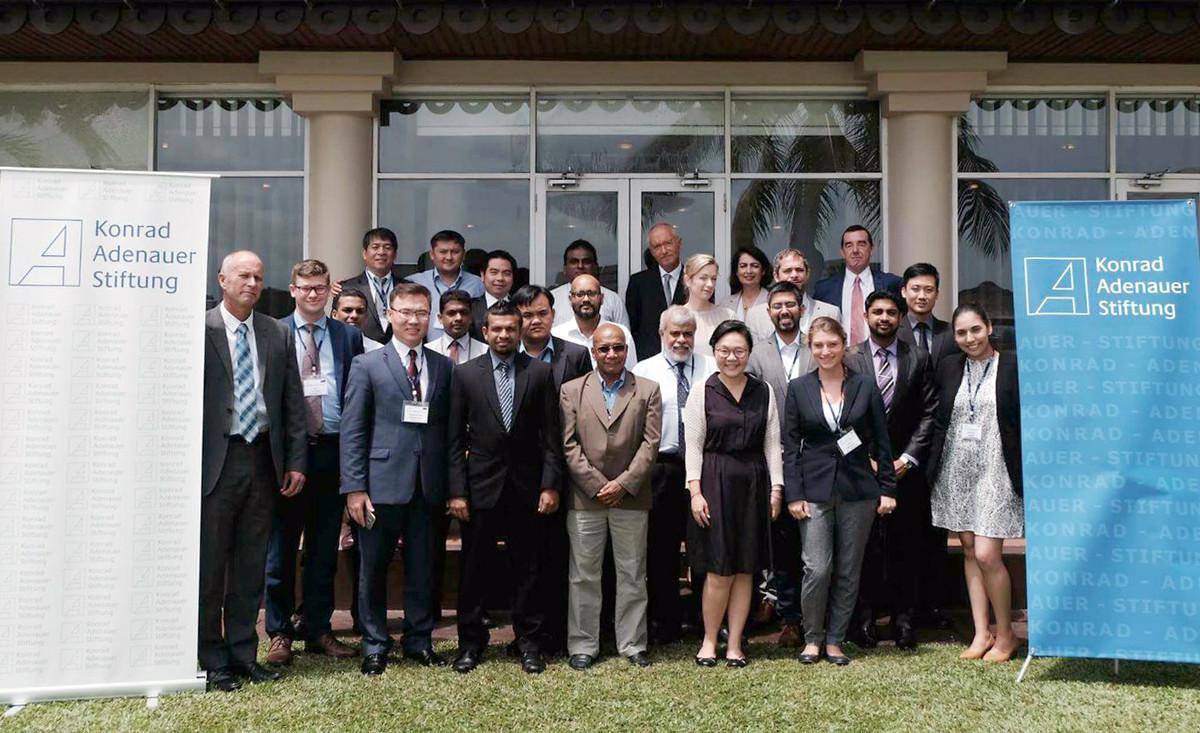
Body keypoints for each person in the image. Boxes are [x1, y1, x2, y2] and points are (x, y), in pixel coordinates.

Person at [200, 251, 307, 692]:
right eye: (244, 275)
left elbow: (292, 402)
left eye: (259, 277)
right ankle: (212, 658)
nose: (252, 283)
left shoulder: (276, 332)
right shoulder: (200, 329)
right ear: (222, 280)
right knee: (211, 566)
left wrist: (296, 461)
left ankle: (244, 653)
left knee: (250, 565)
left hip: (263, 459)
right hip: (216, 461)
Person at [340, 282, 452, 675]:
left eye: (421, 312)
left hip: (428, 485)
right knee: (373, 569)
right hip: (380, 484)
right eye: (405, 311)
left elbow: (447, 431)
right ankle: (374, 644)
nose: (413, 320)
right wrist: (354, 488)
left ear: (431, 317)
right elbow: (353, 430)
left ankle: (419, 641)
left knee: (423, 568)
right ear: (390, 314)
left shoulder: (443, 366)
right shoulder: (367, 365)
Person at [448, 301, 563, 675]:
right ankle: (470, 643)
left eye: (510, 329)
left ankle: (528, 643)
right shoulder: (465, 375)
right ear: (485, 332)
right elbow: (453, 440)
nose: (503, 335)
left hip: (527, 489)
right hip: (480, 487)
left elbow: (551, 436)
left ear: (520, 331)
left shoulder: (540, 372)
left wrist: (550, 485)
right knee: (474, 570)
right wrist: (457, 491)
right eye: (496, 329)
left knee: (528, 569)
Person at [263, 260, 364, 667]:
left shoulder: (347, 335)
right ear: (292, 290)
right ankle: (279, 631)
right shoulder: (274, 332)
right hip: (291, 452)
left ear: (329, 290)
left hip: (333, 450)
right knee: (282, 548)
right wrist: (286, 456)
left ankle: (318, 628)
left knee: (324, 549)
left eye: (320, 287)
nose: (312, 294)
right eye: (305, 287)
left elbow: (356, 393)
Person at [783, 316, 896, 667]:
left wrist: (887, 488)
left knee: (849, 569)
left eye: (832, 344)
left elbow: (881, 441)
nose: (826, 351)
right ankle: (812, 638)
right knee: (817, 568)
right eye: (818, 345)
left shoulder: (865, 386)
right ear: (810, 347)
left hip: (858, 489)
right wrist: (793, 494)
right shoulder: (798, 388)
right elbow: (790, 446)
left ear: (844, 344)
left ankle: (835, 640)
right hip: (813, 489)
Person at [559, 324, 662, 670]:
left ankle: (632, 643)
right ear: (593, 353)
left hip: (631, 497)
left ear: (626, 351)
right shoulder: (572, 390)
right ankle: (583, 644)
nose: (612, 354)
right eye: (604, 349)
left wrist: (623, 484)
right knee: (583, 574)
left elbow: (651, 444)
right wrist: (596, 484)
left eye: (618, 348)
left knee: (632, 573)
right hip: (585, 498)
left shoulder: (647, 390)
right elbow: (568, 445)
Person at [684, 321, 784, 668]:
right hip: (715, 481)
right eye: (724, 351)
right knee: (719, 569)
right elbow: (693, 446)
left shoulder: (763, 391)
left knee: (746, 569)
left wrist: (776, 488)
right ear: (714, 352)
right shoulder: (702, 391)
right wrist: (695, 491)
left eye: (739, 351)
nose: (731, 357)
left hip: (754, 483)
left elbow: (772, 442)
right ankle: (710, 640)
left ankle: (736, 644)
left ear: (749, 353)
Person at [927, 304, 1023, 664]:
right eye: (962, 333)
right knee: (968, 550)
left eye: (975, 330)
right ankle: (982, 633)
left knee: (986, 554)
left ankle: (1007, 634)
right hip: (957, 469)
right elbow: (940, 419)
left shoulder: (1011, 366)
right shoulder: (949, 367)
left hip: (996, 469)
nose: (970, 338)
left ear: (989, 328)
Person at [844, 291, 937, 651]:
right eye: (877, 312)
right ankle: (865, 620)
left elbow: (930, 413)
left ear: (900, 317)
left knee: (906, 548)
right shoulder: (849, 358)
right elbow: (839, 415)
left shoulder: (919, 357)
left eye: (890, 312)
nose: (884, 317)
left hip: (905, 471)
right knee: (864, 547)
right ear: (865, 316)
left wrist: (908, 458)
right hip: (861, 470)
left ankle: (904, 621)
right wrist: (861, 458)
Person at [513, 283, 592, 656]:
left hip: (567, 467)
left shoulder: (574, 355)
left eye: (542, 313)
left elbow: (588, 412)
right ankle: (526, 632)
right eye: (527, 315)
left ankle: (559, 633)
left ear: (553, 314)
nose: (535, 320)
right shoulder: (506, 354)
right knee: (524, 558)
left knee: (561, 554)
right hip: (518, 472)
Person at [633, 306, 717, 645]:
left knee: (704, 546)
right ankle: (664, 621)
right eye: (675, 333)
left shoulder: (711, 368)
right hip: (662, 468)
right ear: (661, 334)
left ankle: (704, 619)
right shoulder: (644, 370)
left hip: (705, 468)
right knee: (661, 547)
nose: (681, 340)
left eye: (688, 334)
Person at [745, 281, 814, 648]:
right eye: (777, 306)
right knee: (783, 546)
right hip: (773, 459)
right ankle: (790, 619)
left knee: (815, 545)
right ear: (768, 312)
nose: (784, 311)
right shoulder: (756, 354)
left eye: (790, 304)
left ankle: (817, 617)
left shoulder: (817, 348)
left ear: (802, 309)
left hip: (815, 460)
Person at [811, 226, 902, 345]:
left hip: (879, 353)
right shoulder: (824, 289)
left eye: (861, 244)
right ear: (842, 252)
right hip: (838, 354)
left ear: (872, 249)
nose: (855, 250)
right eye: (849, 245)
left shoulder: (892, 284)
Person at [406, 229, 486, 342]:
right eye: (443, 252)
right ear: (432, 254)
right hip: (423, 349)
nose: (449, 257)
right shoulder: (414, 283)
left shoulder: (478, 284)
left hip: (468, 349)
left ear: (463, 255)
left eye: (455, 252)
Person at [745, 248, 840, 342]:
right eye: (788, 271)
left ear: (807, 274)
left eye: (799, 270)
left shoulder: (829, 313)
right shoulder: (755, 316)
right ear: (776, 276)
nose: (794, 275)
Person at [626, 222, 688, 359]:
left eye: (668, 243)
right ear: (651, 251)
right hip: (649, 360)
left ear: (679, 243)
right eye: (657, 246)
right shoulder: (638, 283)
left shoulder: (693, 279)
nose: (664, 251)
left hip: (687, 357)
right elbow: (633, 329)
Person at [337, 227, 409, 345]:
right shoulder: (346, 287)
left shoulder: (407, 288)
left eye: (387, 247)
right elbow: (337, 327)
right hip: (359, 351)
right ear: (364, 253)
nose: (381, 252)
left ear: (395, 254)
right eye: (375, 247)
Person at [552, 273, 638, 371]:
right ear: (570, 299)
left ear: (601, 298)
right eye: (580, 294)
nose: (586, 299)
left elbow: (631, 373)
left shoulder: (621, 333)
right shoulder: (556, 335)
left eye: (591, 294)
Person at [550, 239, 631, 329]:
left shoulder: (613, 300)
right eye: (574, 262)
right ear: (565, 269)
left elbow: (624, 334)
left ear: (596, 267)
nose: (580, 266)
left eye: (586, 262)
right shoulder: (552, 299)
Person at [898, 262, 955, 366]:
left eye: (929, 290)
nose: (922, 296)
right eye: (915, 289)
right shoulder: (893, 332)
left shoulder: (951, 332)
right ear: (904, 292)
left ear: (937, 294)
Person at [681, 254, 734, 358]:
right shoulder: (674, 317)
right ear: (688, 280)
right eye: (703, 278)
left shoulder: (728, 316)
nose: (710, 284)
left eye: (713, 279)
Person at [428, 288, 487, 366]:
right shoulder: (428, 351)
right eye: (451, 313)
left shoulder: (485, 352)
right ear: (440, 318)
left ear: (471, 317)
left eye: (464, 313)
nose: (458, 318)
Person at [469, 249, 516, 340]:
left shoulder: (520, 307)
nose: (500, 278)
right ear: (482, 275)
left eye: (506, 273)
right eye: (494, 272)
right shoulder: (470, 308)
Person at [720, 245, 771, 321]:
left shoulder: (772, 300)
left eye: (755, 266)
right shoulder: (726, 304)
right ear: (736, 271)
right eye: (743, 266)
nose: (748, 271)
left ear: (763, 271)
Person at [332, 288, 383, 353]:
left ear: (366, 316)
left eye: (360, 311)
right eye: (348, 310)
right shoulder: (322, 347)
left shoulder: (379, 351)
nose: (354, 315)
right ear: (334, 314)